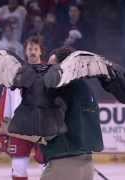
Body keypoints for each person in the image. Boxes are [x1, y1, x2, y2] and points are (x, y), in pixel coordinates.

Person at [39, 47, 104, 180]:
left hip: (63, 166)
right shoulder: (86, 88)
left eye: (51, 66)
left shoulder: (60, 90)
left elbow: (49, 132)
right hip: (86, 165)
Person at [0, 36, 46, 180]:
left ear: (41, 51)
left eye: (36, 49)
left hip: (43, 127)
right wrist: (4, 125)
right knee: (18, 167)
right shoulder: (15, 73)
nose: (33, 52)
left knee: (47, 167)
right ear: (25, 51)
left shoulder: (49, 73)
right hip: (20, 128)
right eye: (30, 49)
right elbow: (7, 99)